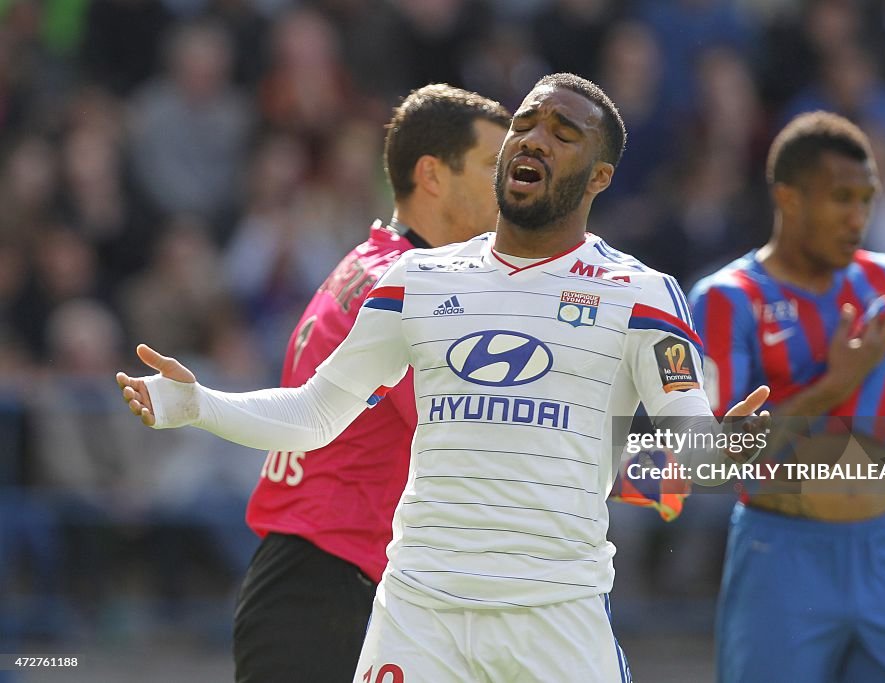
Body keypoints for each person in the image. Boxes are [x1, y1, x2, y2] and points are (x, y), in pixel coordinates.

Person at [116, 73, 768, 681]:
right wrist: (197, 403)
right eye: (526, 123)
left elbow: (690, 442)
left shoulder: (642, 294)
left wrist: (733, 444)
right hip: (417, 617)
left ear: (599, 176)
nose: (535, 138)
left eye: (563, 133)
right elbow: (317, 413)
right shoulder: (414, 280)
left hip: (553, 619)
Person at [232, 84, 509, 682]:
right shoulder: (413, 290)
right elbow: (499, 440)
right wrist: (695, 463)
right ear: (431, 175)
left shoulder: (372, 262)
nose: (511, 184)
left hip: (330, 584)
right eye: (493, 165)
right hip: (325, 597)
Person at [688, 111, 885, 683]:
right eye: (842, 198)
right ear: (788, 198)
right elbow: (717, 457)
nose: (859, 217)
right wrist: (835, 384)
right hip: (780, 553)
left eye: (868, 199)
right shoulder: (726, 299)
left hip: (882, 547)